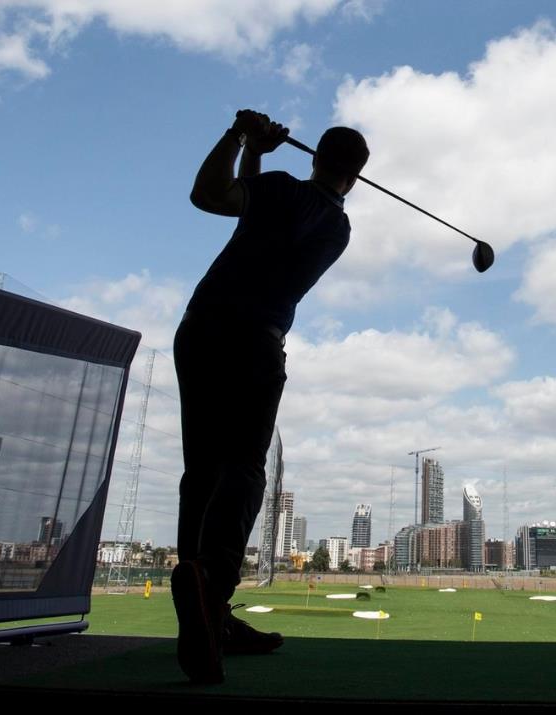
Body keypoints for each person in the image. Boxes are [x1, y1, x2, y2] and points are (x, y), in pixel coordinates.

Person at [171, 109, 368, 684]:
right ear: (353, 177)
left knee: (201, 474)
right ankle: (210, 594)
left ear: (314, 157)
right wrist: (256, 152)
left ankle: (207, 606)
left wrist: (243, 138)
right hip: (255, 343)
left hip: (201, 328)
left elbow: (214, 198)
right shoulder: (336, 228)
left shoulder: (279, 190)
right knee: (243, 471)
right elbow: (252, 213)